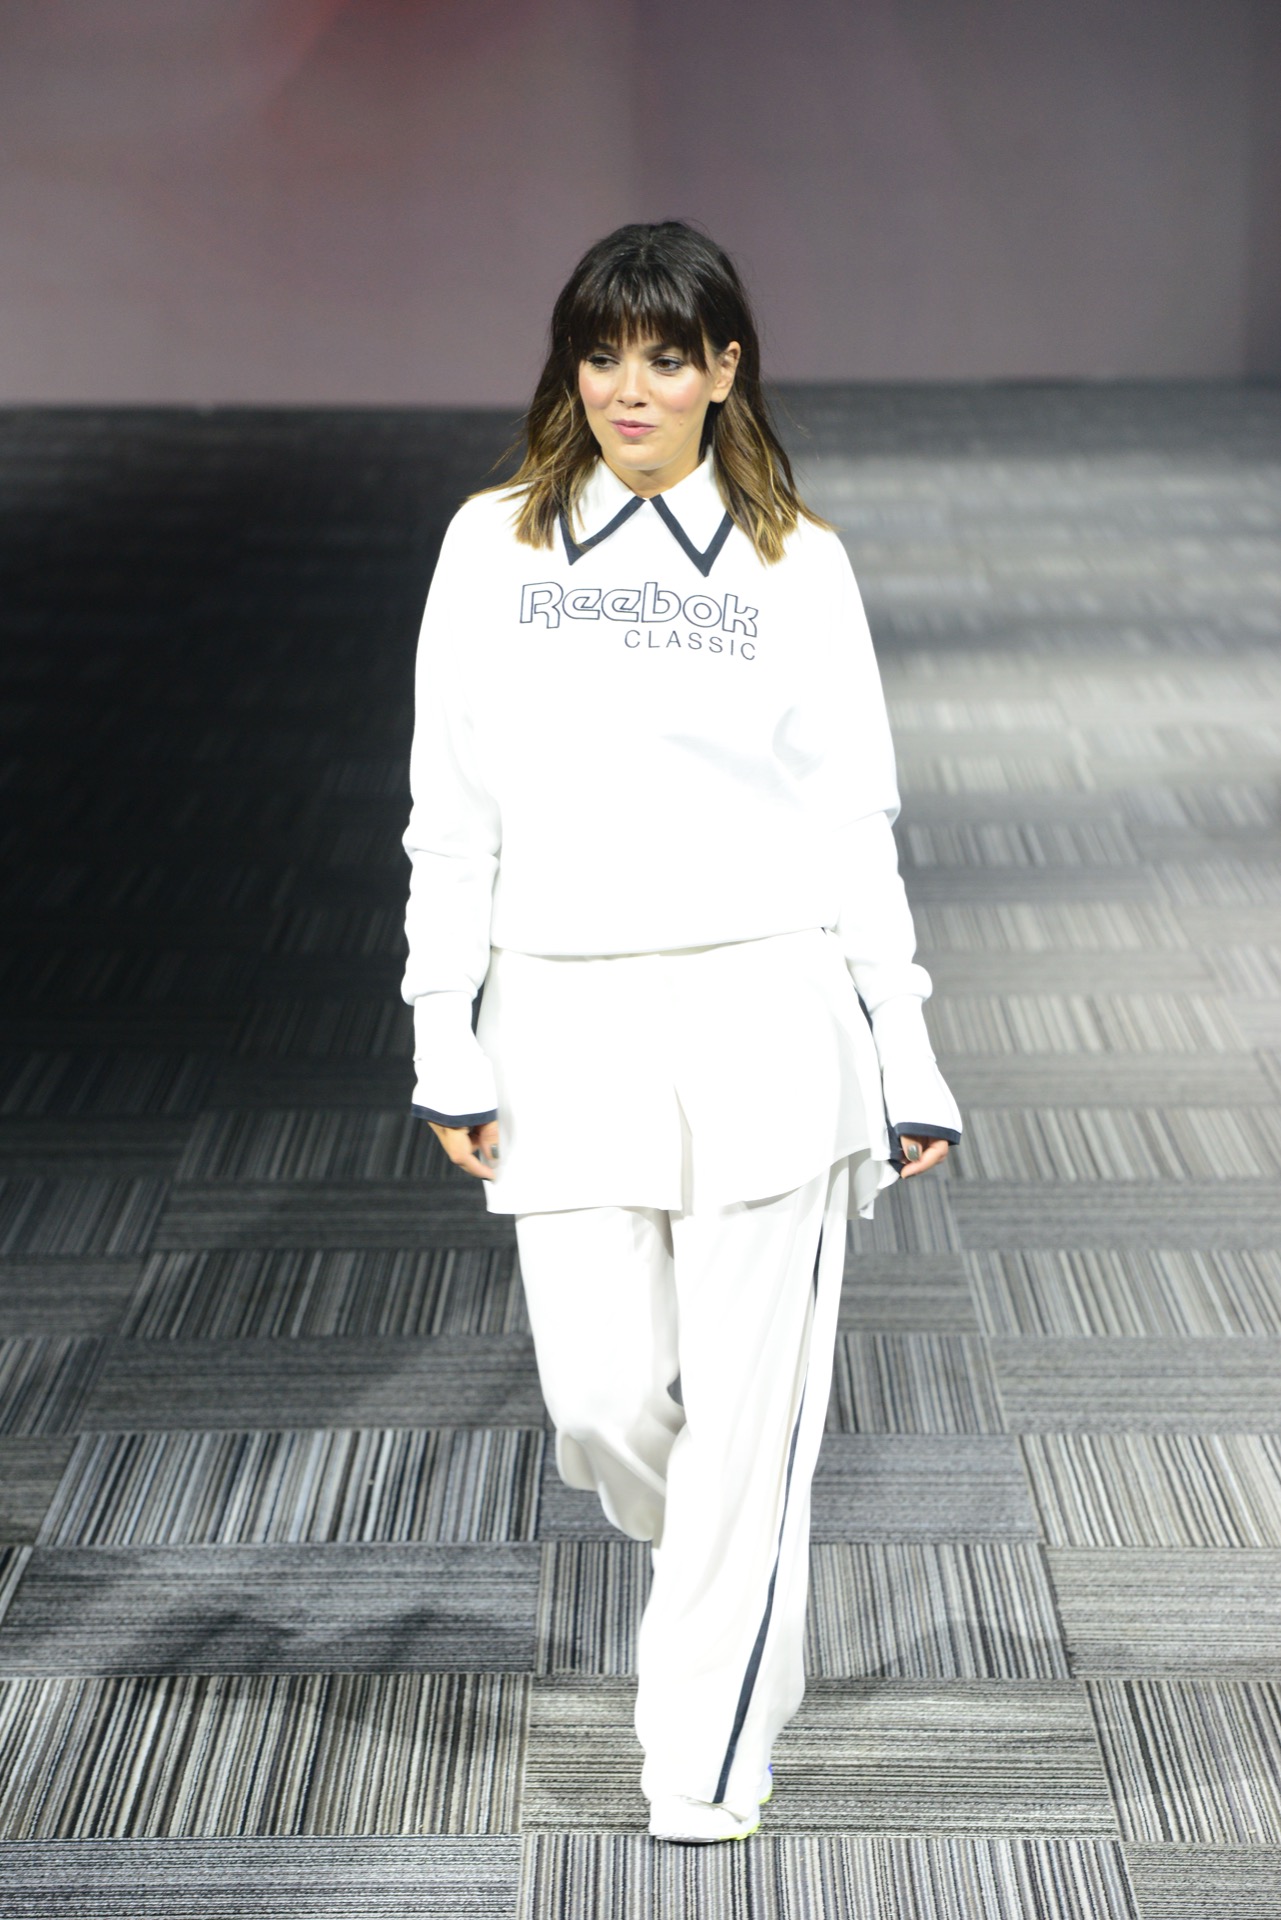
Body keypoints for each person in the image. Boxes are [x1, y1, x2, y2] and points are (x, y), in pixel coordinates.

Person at [401, 221, 961, 1844]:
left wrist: (905, 1049)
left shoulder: (797, 563)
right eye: (601, 355)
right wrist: (443, 1029)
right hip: (561, 1011)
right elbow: (448, 813)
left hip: (766, 1012)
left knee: (750, 1425)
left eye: (664, 356)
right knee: (599, 1400)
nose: (628, 388)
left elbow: (853, 823)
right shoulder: (491, 544)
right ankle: (720, 1542)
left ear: (725, 370)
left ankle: (702, 1760)